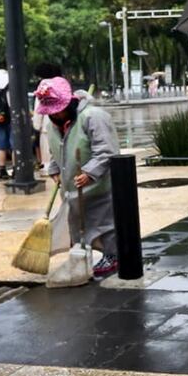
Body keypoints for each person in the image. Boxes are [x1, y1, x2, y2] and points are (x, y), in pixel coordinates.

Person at [36, 76, 120, 280]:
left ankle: (114, 255)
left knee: (105, 223)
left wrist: (90, 173)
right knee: (78, 224)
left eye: (57, 109)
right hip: (72, 187)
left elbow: (107, 150)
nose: (54, 114)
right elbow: (56, 150)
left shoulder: (93, 117)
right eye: (51, 110)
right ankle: (83, 257)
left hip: (100, 186)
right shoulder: (52, 123)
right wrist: (54, 168)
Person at [32, 63, 63, 172]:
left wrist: (36, 125)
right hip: (61, 122)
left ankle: (49, 170)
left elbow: (38, 108)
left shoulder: (43, 87)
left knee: (47, 153)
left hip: (46, 125)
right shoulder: (60, 84)